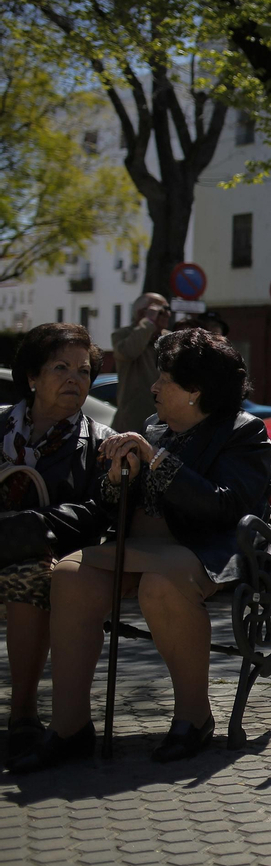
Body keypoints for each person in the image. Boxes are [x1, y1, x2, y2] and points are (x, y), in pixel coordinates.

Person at [6, 329, 271, 772]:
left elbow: (223, 507)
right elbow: (115, 510)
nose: (153, 387)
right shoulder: (154, 428)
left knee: (160, 585)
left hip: (205, 550)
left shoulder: (243, 432)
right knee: (70, 574)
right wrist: (117, 477)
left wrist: (158, 461)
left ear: (194, 391)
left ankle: (194, 717)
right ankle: (69, 727)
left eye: (164, 378)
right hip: (138, 549)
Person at [0, 324, 114, 763]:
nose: (74, 379)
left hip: (48, 558)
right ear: (31, 376)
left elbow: (97, 514)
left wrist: (32, 525)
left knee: (30, 577)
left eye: (83, 371)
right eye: (60, 368)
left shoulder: (100, 443)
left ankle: (23, 713)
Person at [110, 292, 170, 433]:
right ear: (141, 313)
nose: (167, 315)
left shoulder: (170, 339)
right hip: (133, 421)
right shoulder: (123, 335)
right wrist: (148, 322)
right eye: (161, 311)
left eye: (168, 310)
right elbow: (129, 351)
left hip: (167, 418)